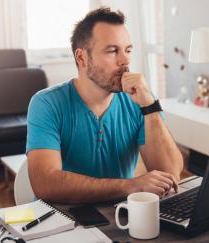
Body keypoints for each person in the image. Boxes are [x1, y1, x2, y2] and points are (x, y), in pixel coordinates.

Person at [26, 7, 183, 203]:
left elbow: (170, 176)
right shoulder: (46, 103)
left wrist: (149, 106)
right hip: (60, 222)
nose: (125, 61)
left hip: (118, 218)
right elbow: (46, 183)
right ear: (82, 57)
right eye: (112, 51)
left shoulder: (140, 101)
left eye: (128, 50)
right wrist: (131, 185)